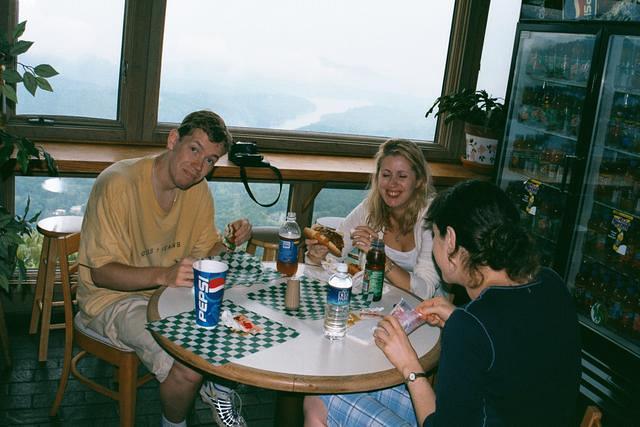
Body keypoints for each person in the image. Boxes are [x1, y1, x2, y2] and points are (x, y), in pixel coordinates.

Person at [304, 180, 581, 426]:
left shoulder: (470, 327)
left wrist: (409, 366)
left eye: (434, 235)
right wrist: (458, 316)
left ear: (451, 239)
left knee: (319, 400)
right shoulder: (549, 282)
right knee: (350, 387)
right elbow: (507, 344)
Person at [76, 110, 252, 427]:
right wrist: (164, 275)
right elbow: (101, 273)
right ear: (173, 140)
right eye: (194, 149)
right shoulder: (118, 184)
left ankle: (216, 386)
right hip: (111, 300)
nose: (199, 166)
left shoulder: (198, 191)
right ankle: (176, 420)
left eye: (210, 160)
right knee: (188, 364)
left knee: (233, 323)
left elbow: (202, 259)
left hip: (169, 294)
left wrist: (228, 241)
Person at [306, 138, 442, 299]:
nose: (392, 183)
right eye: (386, 175)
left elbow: (425, 291)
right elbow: (333, 258)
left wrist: (379, 256)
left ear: (419, 181)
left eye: (402, 176)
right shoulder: (368, 210)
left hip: (425, 315)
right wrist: (316, 256)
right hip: (375, 305)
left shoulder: (432, 218)